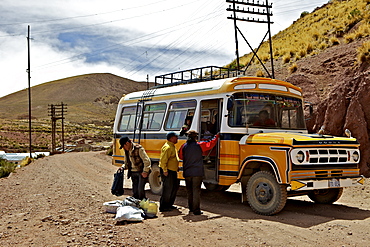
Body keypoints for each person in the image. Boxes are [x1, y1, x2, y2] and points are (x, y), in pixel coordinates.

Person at [178, 130, 219, 215]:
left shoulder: (184, 146)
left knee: (189, 191)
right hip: (197, 172)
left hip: (187, 172)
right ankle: (196, 210)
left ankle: (191, 209)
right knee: (196, 191)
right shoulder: (199, 145)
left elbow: (180, 156)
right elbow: (210, 144)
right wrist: (216, 136)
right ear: (195, 137)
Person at [159, 131, 180, 212]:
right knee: (167, 188)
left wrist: (176, 167)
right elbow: (163, 160)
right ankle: (164, 206)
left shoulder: (172, 146)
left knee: (174, 187)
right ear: (171, 138)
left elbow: (173, 159)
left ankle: (170, 204)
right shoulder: (167, 147)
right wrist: (165, 170)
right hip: (168, 171)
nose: (177, 139)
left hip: (173, 170)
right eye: (176, 137)